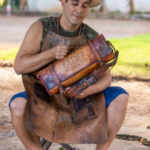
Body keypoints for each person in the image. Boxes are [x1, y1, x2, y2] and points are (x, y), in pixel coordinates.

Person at [9, 0, 129, 150]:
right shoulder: (41, 28)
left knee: (121, 97)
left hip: (81, 101)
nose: (79, 9)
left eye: (85, 5)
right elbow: (19, 66)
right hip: (43, 97)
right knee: (17, 105)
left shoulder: (90, 35)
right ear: (63, 2)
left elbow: (106, 77)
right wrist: (51, 54)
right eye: (75, 3)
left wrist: (86, 90)